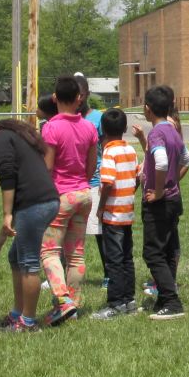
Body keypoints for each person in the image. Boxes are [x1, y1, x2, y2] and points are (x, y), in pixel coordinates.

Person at [0, 119, 60, 332]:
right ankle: (18, 313)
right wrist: (1, 237)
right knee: (15, 257)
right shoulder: (11, 137)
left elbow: (8, 178)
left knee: (28, 262)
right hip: (42, 202)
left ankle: (28, 322)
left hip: (36, 204)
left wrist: (6, 214)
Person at [40, 76, 99, 325]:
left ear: (55, 98)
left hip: (60, 195)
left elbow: (48, 165)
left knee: (49, 251)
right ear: (79, 98)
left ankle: (63, 301)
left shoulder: (51, 127)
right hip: (84, 194)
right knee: (76, 254)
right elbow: (91, 165)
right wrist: (80, 182)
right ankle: (72, 305)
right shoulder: (89, 127)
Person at [135, 85, 187, 319]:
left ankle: (172, 302)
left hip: (160, 202)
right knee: (166, 251)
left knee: (153, 253)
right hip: (174, 198)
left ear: (147, 109)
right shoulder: (173, 130)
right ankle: (165, 299)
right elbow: (187, 158)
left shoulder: (157, 132)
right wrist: (172, 183)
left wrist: (158, 191)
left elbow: (162, 163)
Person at [91, 109, 139, 320]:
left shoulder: (109, 152)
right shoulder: (130, 149)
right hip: (127, 211)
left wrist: (101, 207)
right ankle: (129, 300)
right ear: (125, 129)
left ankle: (116, 303)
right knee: (126, 257)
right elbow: (138, 176)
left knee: (113, 260)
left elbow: (108, 182)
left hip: (112, 214)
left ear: (103, 130)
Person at [74, 74, 108, 289]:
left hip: (95, 181)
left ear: (85, 95)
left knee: (99, 232)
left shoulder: (97, 119)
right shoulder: (67, 120)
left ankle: (109, 273)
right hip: (73, 183)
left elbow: (106, 150)